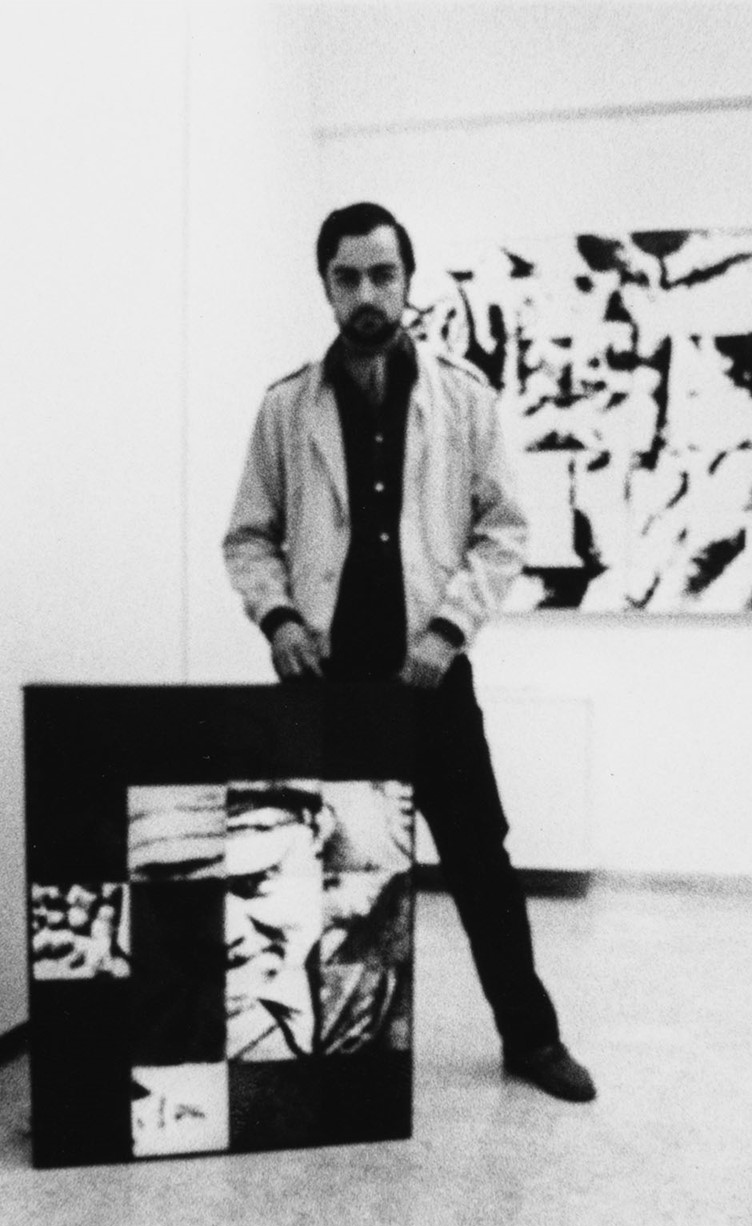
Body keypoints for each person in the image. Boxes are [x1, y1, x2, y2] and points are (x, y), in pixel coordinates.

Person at [224, 201, 596, 1102]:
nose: (367, 294)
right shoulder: (285, 409)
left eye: (382, 275)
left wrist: (448, 630)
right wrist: (279, 620)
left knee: (480, 860)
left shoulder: (463, 398)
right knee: (315, 867)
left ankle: (532, 1037)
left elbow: (503, 530)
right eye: (347, 277)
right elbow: (250, 537)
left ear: (407, 282)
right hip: (326, 681)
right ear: (326, 286)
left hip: (431, 678)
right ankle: (312, 1049)